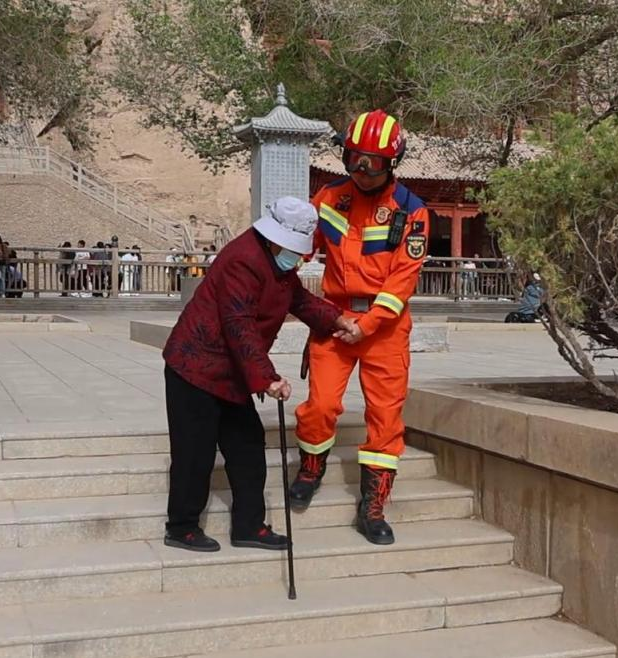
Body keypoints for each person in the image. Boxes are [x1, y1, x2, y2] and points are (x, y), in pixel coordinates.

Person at [162, 196, 355, 552]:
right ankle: (181, 527)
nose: (296, 256)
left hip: (231, 373)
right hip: (195, 367)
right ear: (273, 238)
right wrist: (267, 377)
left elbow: (299, 300)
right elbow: (239, 325)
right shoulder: (243, 259)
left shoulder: (277, 264)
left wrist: (336, 319)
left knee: (248, 447)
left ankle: (249, 526)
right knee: (195, 452)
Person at [289, 110, 431, 545]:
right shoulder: (329, 197)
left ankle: (373, 505)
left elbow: (402, 282)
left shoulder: (412, 212)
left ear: (393, 162)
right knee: (320, 405)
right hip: (333, 319)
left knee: (385, 418)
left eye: (373, 161)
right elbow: (300, 246)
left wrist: (366, 325)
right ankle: (311, 468)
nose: (362, 169)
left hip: (384, 328)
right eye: (354, 158)